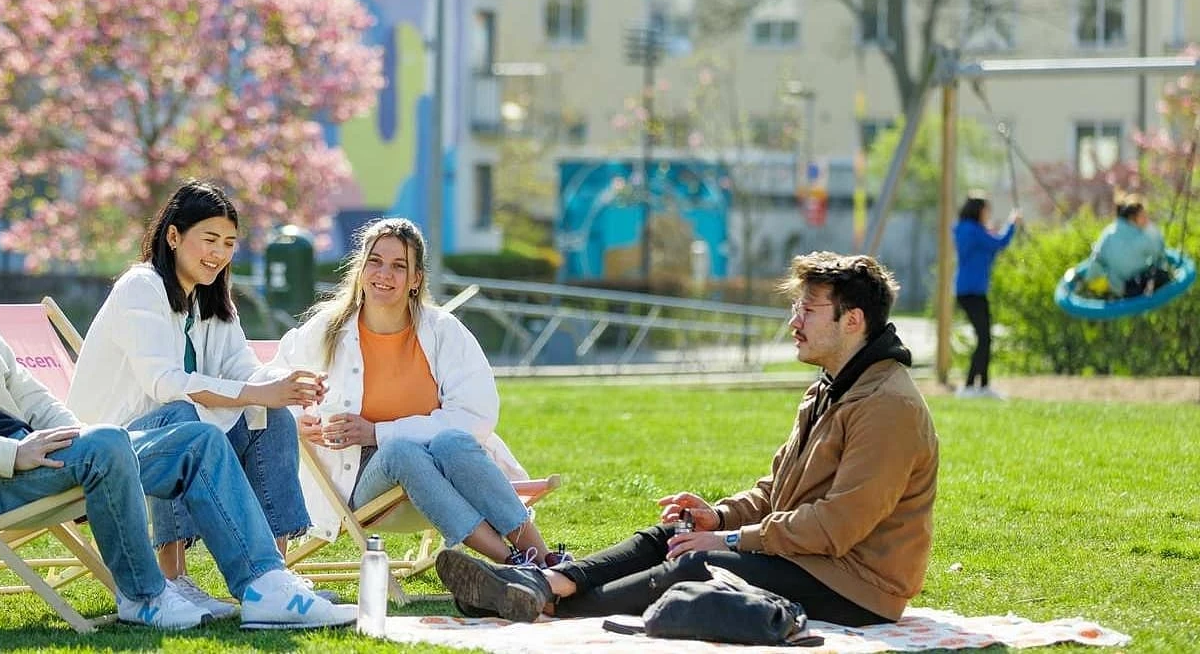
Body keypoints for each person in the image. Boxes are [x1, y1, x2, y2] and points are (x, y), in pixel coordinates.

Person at [0, 191, 355, 631]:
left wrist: (77, 437)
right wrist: (13, 454)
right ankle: (146, 595)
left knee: (196, 438)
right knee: (124, 435)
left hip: (53, 456)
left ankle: (263, 584)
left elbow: (31, 394)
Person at [435, 252, 939, 628]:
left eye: (808, 310)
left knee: (697, 562)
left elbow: (837, 526)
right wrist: (715, 517)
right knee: (670, 537)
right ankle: (540, 583)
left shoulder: (887, 405)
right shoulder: (828, 389)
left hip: (857, 587)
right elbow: (775, 494)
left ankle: (543, 601)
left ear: (852, 321)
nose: (793, 322)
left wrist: (728, 539)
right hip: (810, 558)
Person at [68, 179, 325, 619]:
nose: (219, 253)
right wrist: (255, 391)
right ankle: (174, 576)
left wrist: (285, 385)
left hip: (175, 430)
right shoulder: (141, 287)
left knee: (273, 415)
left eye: (229, 243)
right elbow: (163, 383)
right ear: (173, 236)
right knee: (182, 416)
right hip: (109, 445)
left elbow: (243, 367)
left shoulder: (209, 299)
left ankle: (273, 577)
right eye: (209, 239)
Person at [265, 217, 561, 569]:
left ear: (416, 279)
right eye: (374, 261)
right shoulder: (327, 329)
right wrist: (299, 420)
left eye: (398, 266)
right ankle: (515, 563)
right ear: (361, 269)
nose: (383, 274)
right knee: (402, 451)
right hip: (364, 482)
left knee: (453, 441)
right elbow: (273, 377)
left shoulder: (444, 331)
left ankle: (546, 559)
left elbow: (476, 415)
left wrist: (377, 431)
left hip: (448, 471)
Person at [952, 194, 1019, 399]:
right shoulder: (974, 231)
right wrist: (1012, 223)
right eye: (986, 210)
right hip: (973, 291)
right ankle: (973, 385)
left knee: (985, 338)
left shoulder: (965, 230)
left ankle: (980, 385)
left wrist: (989, 232)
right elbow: (1000, 243)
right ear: (979, 211)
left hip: (967, 290)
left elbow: (986, 248)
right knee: (984, 338)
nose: (988, 214)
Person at [1086, 195, 1170, 298]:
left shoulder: (1108, 232)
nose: (1147, 220)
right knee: (1162, 275)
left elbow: (1095, 259)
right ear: (1131, 218)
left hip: (1114, 287)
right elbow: (1159, 254)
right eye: (1143, 216)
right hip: (1133, 288)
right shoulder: (1142, 236)